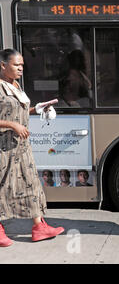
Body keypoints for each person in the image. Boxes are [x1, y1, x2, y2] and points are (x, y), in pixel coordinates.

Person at [0, 49, 65, 247]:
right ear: (3, 65)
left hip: (21, 147)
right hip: (4, 148)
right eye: (16, 65)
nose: (20, 68)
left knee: (31, 184)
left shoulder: (16, 86)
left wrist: (36, 109)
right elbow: (11, 119)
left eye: (22, 65)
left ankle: (39, 226)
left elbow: (17, 110)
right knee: (3, 186)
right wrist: (13, 125)